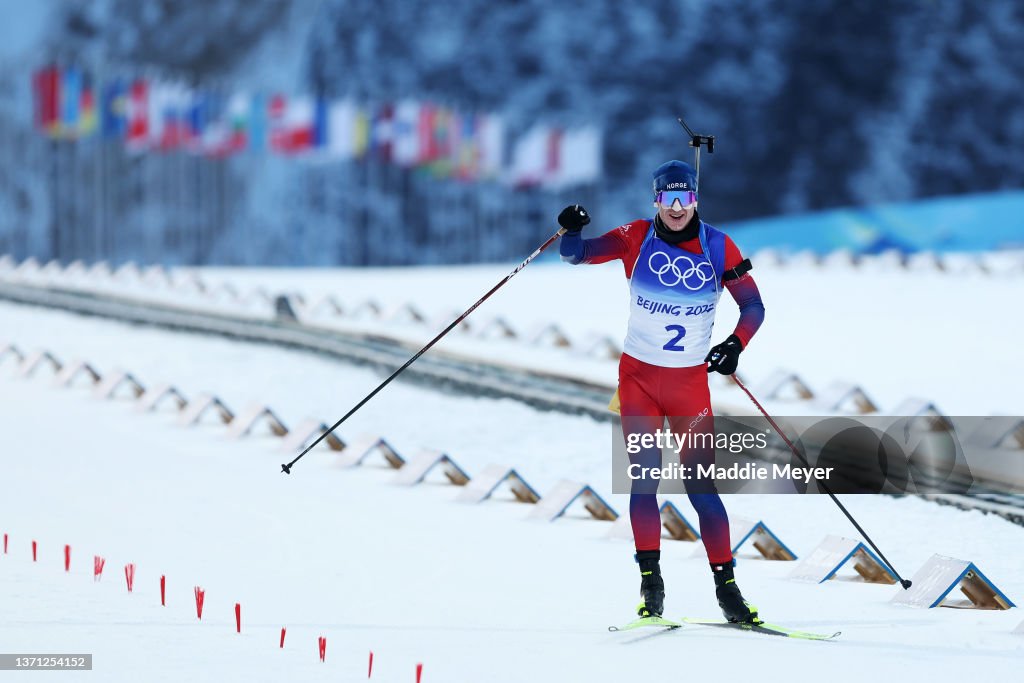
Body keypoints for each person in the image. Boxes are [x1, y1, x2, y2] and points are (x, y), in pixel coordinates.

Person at [557, 160, 766, 623]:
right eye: (667, 198)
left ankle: (727, 589)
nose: (676, 208)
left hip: (689, 385)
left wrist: (735, 344)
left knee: (701, 488)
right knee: (644, 481)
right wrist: (570, 231)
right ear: (655, 200)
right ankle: (651, 585)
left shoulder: (718, 245)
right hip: (638, 382)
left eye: (684, 198)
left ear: (695, 199)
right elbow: (577, 254)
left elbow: (752, 305)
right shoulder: (634, 236)